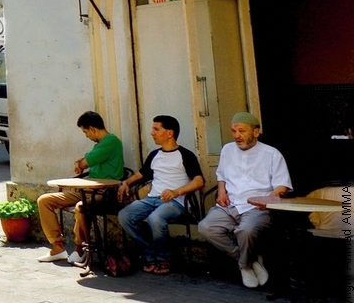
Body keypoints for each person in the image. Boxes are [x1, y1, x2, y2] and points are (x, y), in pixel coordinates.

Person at [196, 112, 291, 289]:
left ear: (256, 132)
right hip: (230, 204)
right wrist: (221, 191)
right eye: (234, 131)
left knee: (245, 231)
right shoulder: (227, 149)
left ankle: (244, 266)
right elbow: (221, 174)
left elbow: (282, 186)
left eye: (241, 131)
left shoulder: (272, 154)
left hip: (257, 207)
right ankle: (250, 261)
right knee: (205, 227)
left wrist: (268, 200)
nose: (237, 136)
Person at [116, 115, 205, 275]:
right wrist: (126, 183)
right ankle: (150, 255)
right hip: (152, 199)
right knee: (124, 215)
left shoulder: (185, 155)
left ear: (169, 133)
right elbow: (141, 174)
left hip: (176, 202)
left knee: (155, 219)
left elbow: (199, 182)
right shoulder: (154, 155)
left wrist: (176, 192)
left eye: (156, 129)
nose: (152, 133)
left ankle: (164, 259)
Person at [36, 111, 124, 264]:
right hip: (86, 190)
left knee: (81, 207)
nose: (86, 136)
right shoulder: (101, 145)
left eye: (85, 132)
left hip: (104, 193)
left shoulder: (111, 141)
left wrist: (81, 163)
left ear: (92, 129)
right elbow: (87, 160)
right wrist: (82, 162)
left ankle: (80, 248)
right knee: (44, 200)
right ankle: (58, 247)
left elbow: (85, 163)